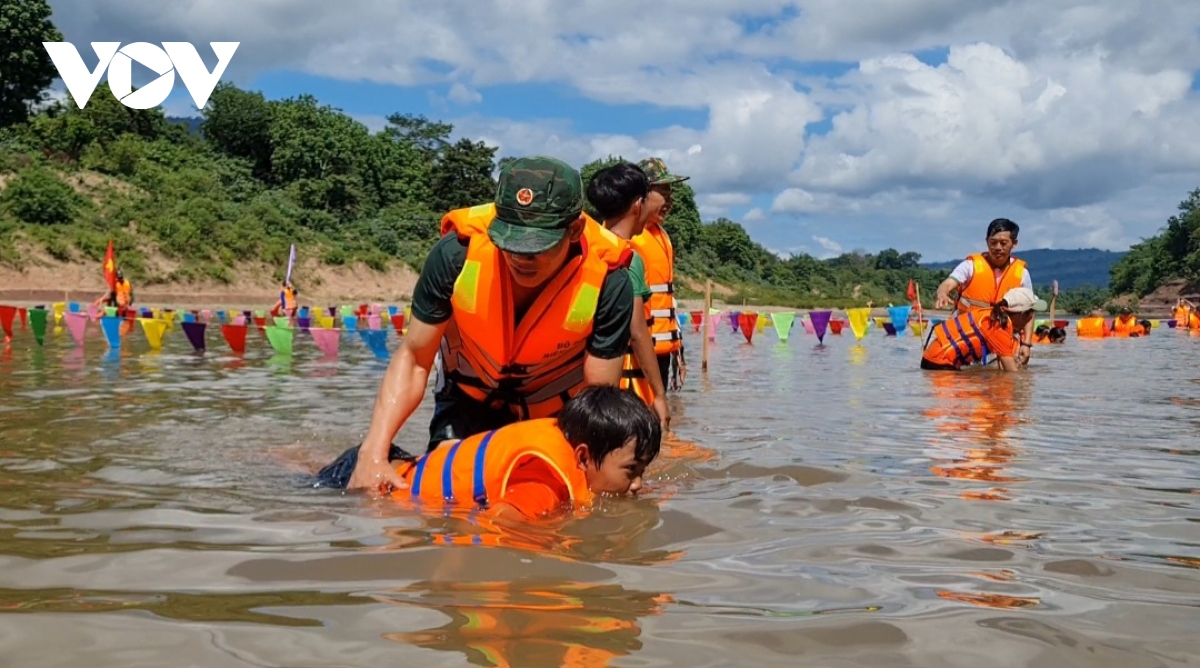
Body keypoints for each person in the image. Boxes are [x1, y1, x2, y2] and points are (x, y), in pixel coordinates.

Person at [345, 156, 635, 492]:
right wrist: (373, 452)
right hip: (468, 399)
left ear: (574, 230)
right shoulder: (456, 254)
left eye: (536, 247)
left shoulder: (610, 282)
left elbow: (598, 397)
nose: (519, 257)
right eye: (509, 241)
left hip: (555, 414)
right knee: (449, 495)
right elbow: (414, 359)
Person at [315, 385, 661, 521]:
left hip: (403, 464)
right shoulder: (544, 484)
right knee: (297, 477)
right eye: (631, 471)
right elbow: (500, 522)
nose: (638, 484)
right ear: (583, 457)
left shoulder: (563, 441)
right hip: (370, 479)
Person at [585, 161, 671, 429]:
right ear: (638, 205)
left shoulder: (589, 244)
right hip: (622, 384)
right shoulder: (627, 257)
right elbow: (636, 330)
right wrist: (659, 394)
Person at [934, 218, 1035, 364]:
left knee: (1007, 382)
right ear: (986, 241)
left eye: (1003, 243)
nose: (998, 247)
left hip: (1001, 341)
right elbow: (948, 283)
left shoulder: (1021, 273)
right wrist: (942, 293)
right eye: (993, 242)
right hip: (967, 337)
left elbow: (1028, 311)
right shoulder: (970, 266)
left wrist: (1026, 344)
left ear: (1014, 243)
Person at [630, 157, 688, 392]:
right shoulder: (629, 236)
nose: (670, 202)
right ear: (642, 195)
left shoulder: (660, 234)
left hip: (662, 351)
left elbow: (667, 301)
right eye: (664, 193)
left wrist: (679, 349)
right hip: (636, 356)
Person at [922, 287, 1046, 372]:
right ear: (1021, 314)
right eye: (1030, 314)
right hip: (939, 363)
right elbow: (1011, 373)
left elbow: (1002, 367)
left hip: (934, 358)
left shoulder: (996, 316)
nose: (1030, 319)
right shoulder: (999, 327)